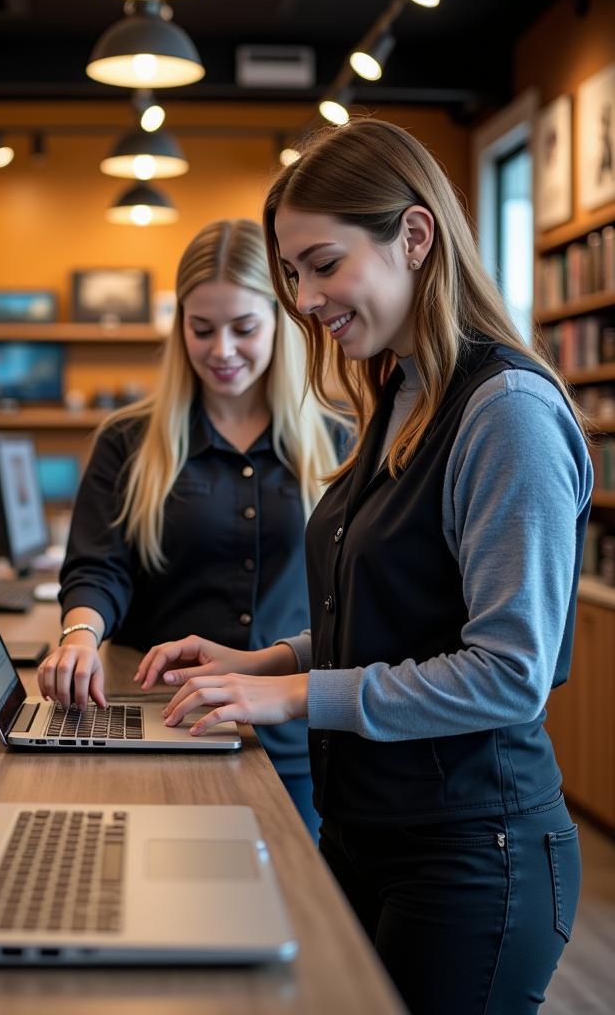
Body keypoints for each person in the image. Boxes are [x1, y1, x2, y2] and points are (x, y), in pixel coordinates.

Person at [136, 119, 591, 1015]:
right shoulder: (399, 391)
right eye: (293, 274)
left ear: (414, 238)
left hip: (472, 854)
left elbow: (509, 673)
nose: (304, 298)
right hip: (371, 835)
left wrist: (296, 698)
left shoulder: (505, 414)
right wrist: (262, 664)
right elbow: (391, 618)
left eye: (323, 263)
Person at [37, 218, 342, 838]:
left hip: (292, 738)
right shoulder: (128, 440)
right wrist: (79, 636)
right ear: (179, 327)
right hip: (160, 721)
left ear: (282, 321)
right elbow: (100, 567)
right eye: (202, 329)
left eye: (244, 328)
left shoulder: (340, 440)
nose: (222, 350)